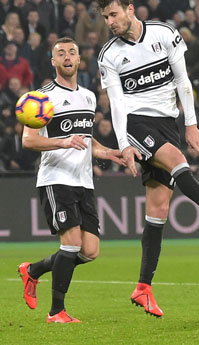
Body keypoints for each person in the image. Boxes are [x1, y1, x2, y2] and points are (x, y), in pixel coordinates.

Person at [95, 0, 199, 317]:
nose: (109, 22)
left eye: (113, 14)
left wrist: (192, 125)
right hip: (138, 124)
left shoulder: (164, 34)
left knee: (158, 208)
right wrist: (124, 143)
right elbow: (118, 104)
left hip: (168, 123)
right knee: (178, 162)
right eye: (105, 17)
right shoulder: (109, 56)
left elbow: (182, 81)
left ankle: (143, 287)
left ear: (129, 9)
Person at [17, 37, 127, 323]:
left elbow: (86, 141)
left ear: (79, 60)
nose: (67, 57)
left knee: (89, 251)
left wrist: (108, 152)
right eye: (60, 53)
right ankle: (56, 312)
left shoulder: (89, 97)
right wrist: (63, 143)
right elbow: (29, 141)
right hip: (56, 178)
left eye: (72, 53)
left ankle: (33, 271)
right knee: (71, 244)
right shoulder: (41, 99)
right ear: (53, 62)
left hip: (83, 181)